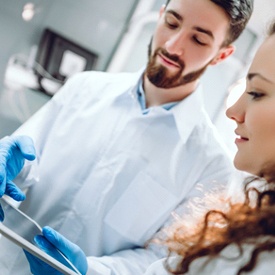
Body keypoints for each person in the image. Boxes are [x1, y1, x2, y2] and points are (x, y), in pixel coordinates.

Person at [0, 0, 253, 274]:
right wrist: (9, 165)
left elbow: (164, 261)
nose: (172, 46)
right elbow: (23, 163)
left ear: (221, 55)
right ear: (160, 15)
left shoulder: (212, 168)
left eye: (198, 39)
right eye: (171, 23)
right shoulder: (84, 88)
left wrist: (90, 270)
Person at [144, 19, 275, 275]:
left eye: (257, 93)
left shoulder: (212, 162)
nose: (233, 111)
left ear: (221, 54)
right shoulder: (252, 229)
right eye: (171, 22)